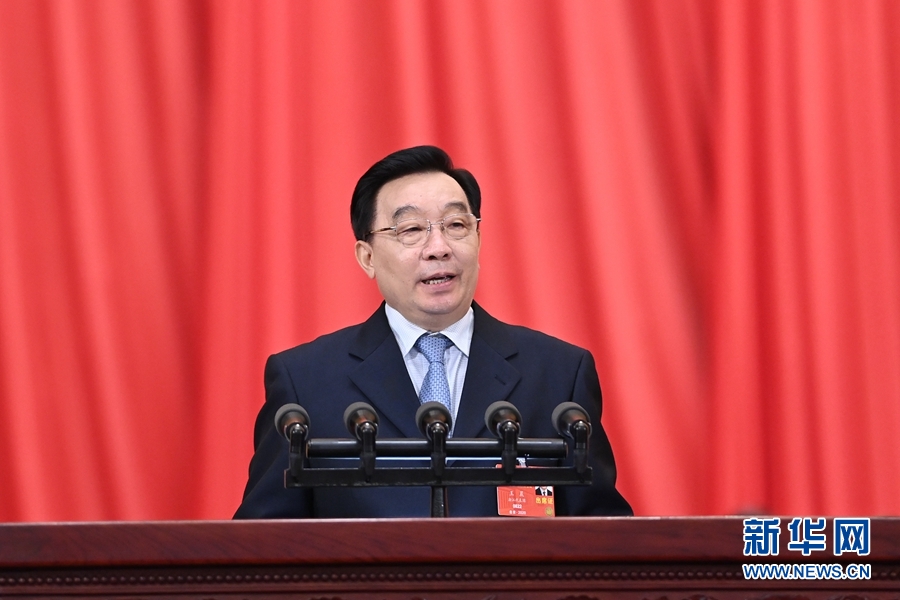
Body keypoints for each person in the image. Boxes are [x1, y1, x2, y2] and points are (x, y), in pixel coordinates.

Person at [234, 145, 632, 518]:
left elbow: (602, 535)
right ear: (367, 257)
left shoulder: (558, 373)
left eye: (456, 224)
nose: (438, 247)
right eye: (411, 230)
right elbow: (265, 543)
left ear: (478, 238)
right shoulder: (306, 381)